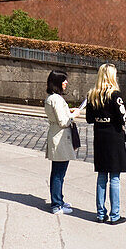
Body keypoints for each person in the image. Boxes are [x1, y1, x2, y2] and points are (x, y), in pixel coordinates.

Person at [86, 63, 126, 224]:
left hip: (100, 138)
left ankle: (100, 213)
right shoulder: (115, 95)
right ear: (112, 76)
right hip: (114, 138)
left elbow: (89, 119)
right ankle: (115, 215)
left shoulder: (92, 95)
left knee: (102, 176)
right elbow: (123, 118)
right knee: (115, 177)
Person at [44, 70, 81, 214]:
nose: (66, 82)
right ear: (57, 82)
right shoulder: (57, 99)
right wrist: (74, 115)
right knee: (59, 173)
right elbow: (63, 121)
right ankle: (56, 204)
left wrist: (68, 111)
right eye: (64, 80)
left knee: (58, 172)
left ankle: (58, 200)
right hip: (60, 139)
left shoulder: (52, 98)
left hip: (56, 136)